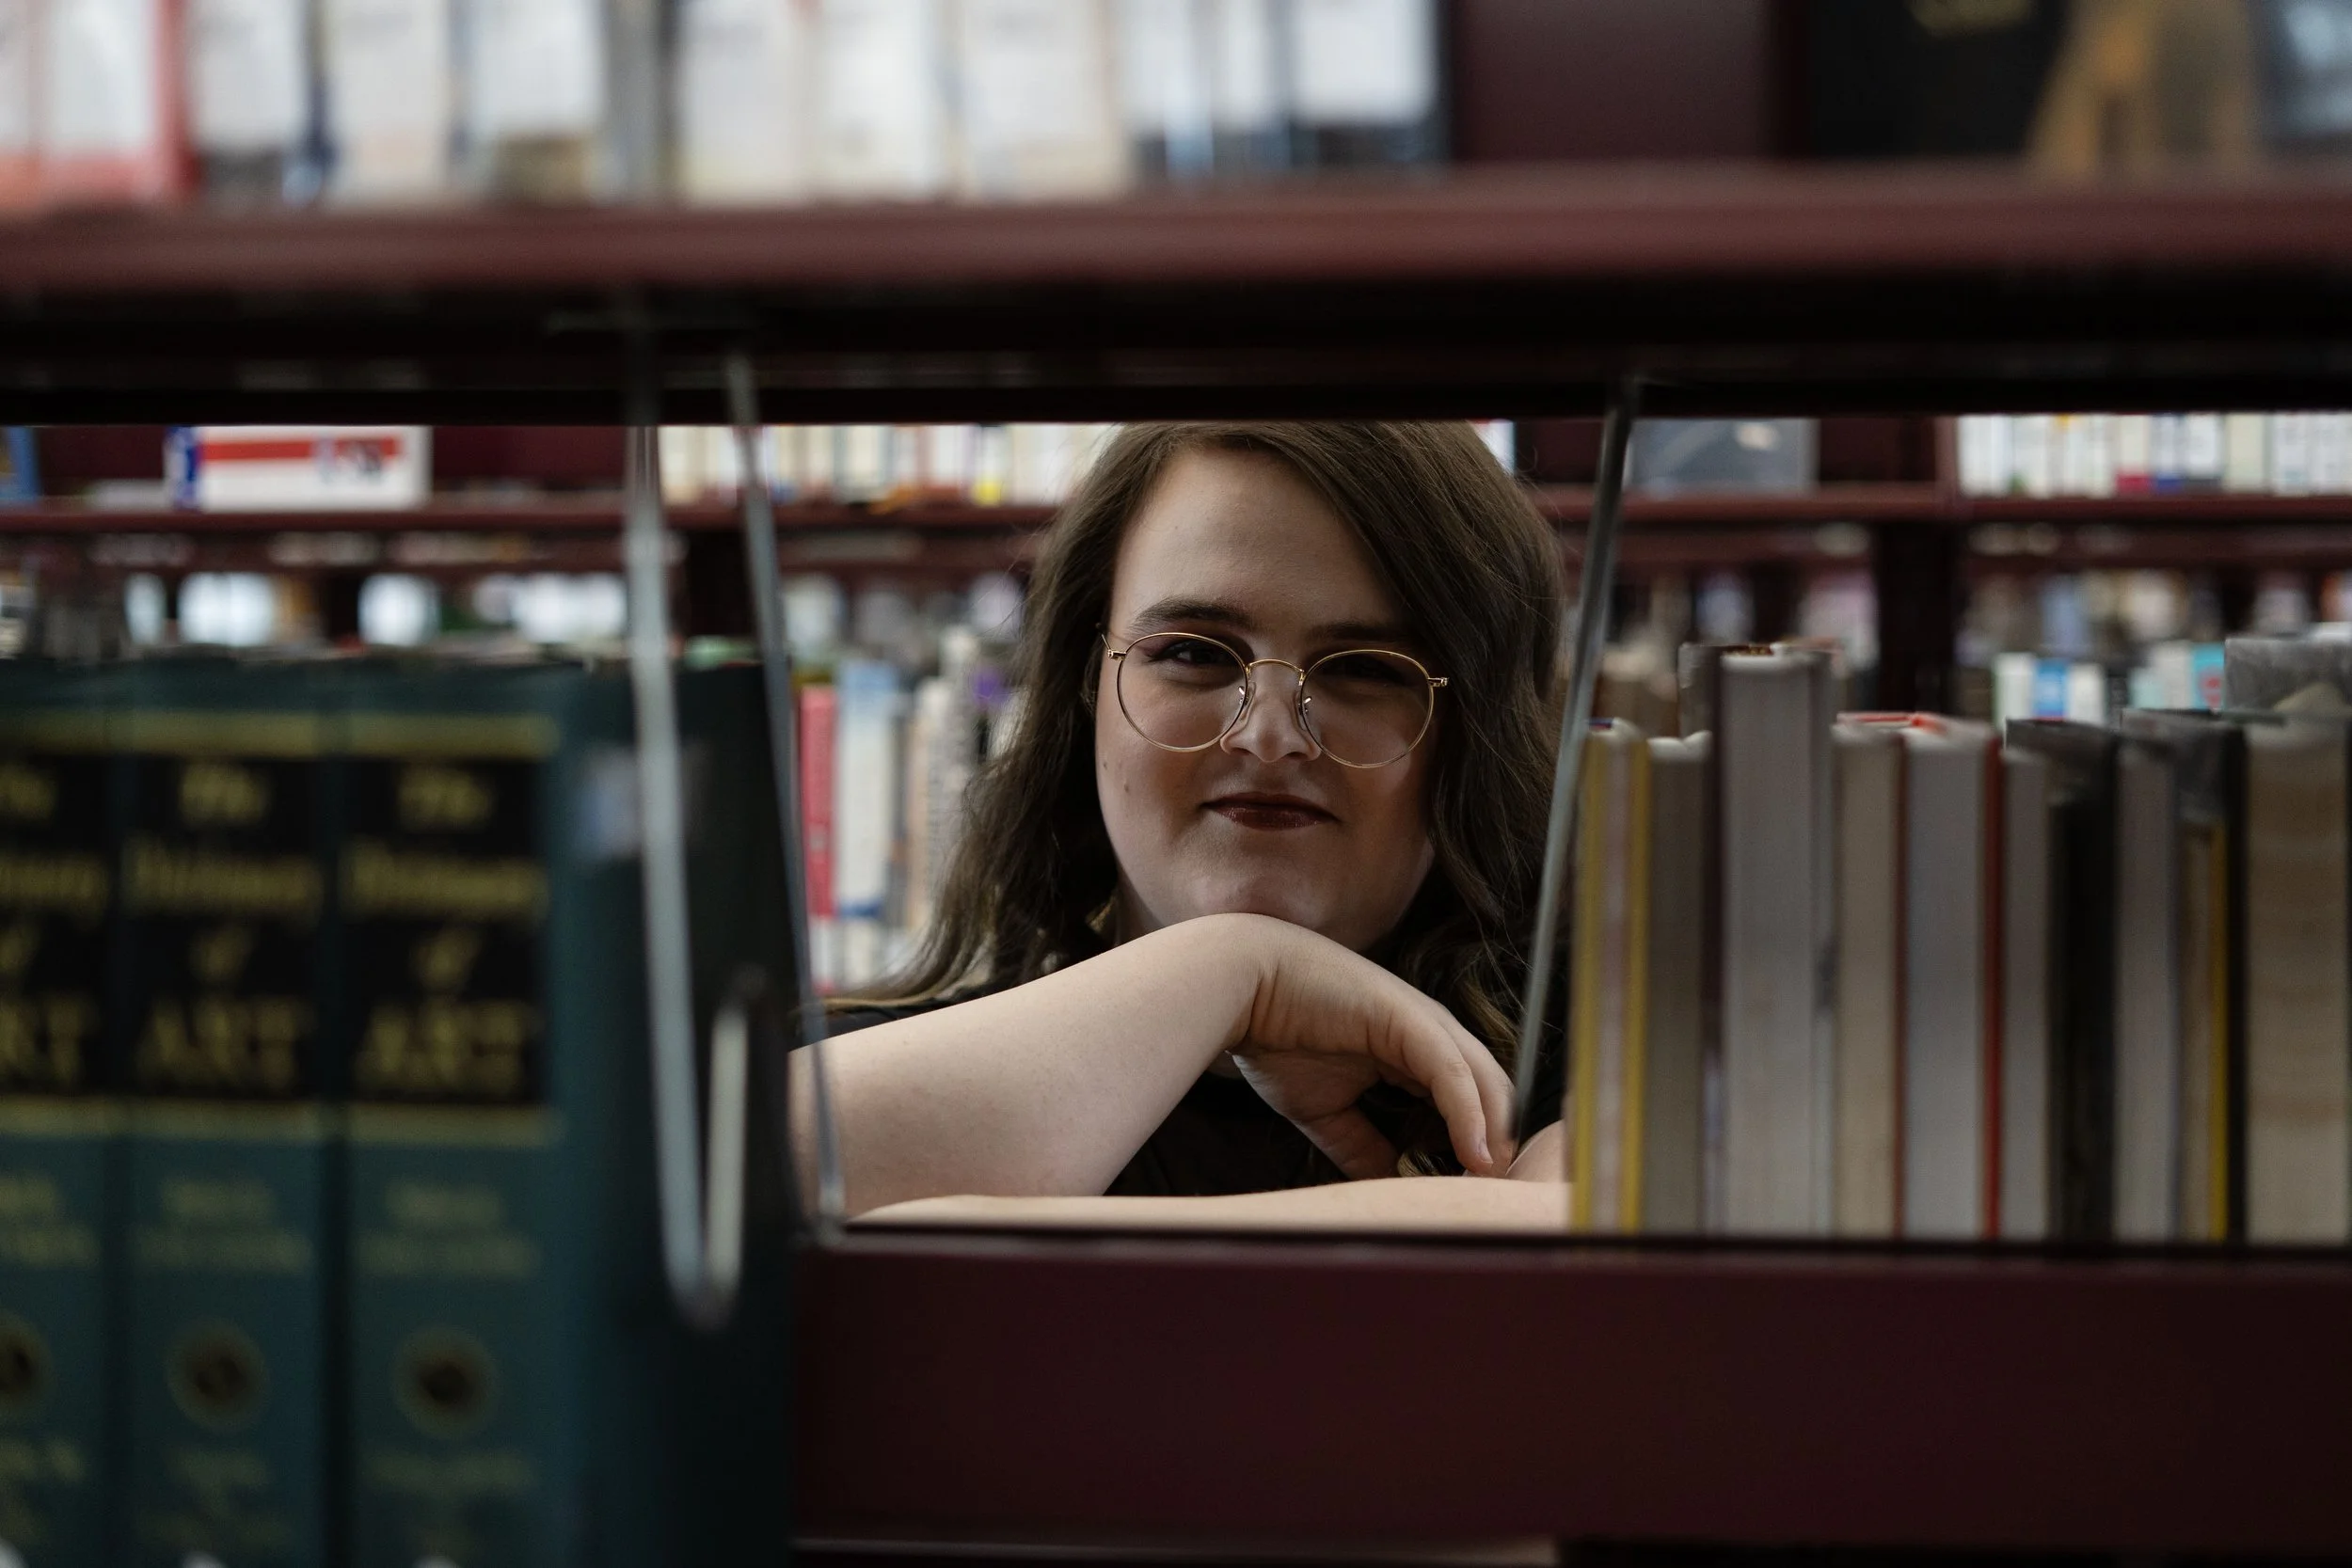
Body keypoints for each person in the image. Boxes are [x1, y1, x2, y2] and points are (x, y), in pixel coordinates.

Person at [794, 421, 1572, 1227]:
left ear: (1477, 731)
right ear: (1086, 686)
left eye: (1366, 670)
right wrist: (1235, 968)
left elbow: (1580, 1242)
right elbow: (707, 1197)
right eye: (1196, 653)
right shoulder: (898, 1059)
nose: (1268, 734)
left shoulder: (1581, 1067)